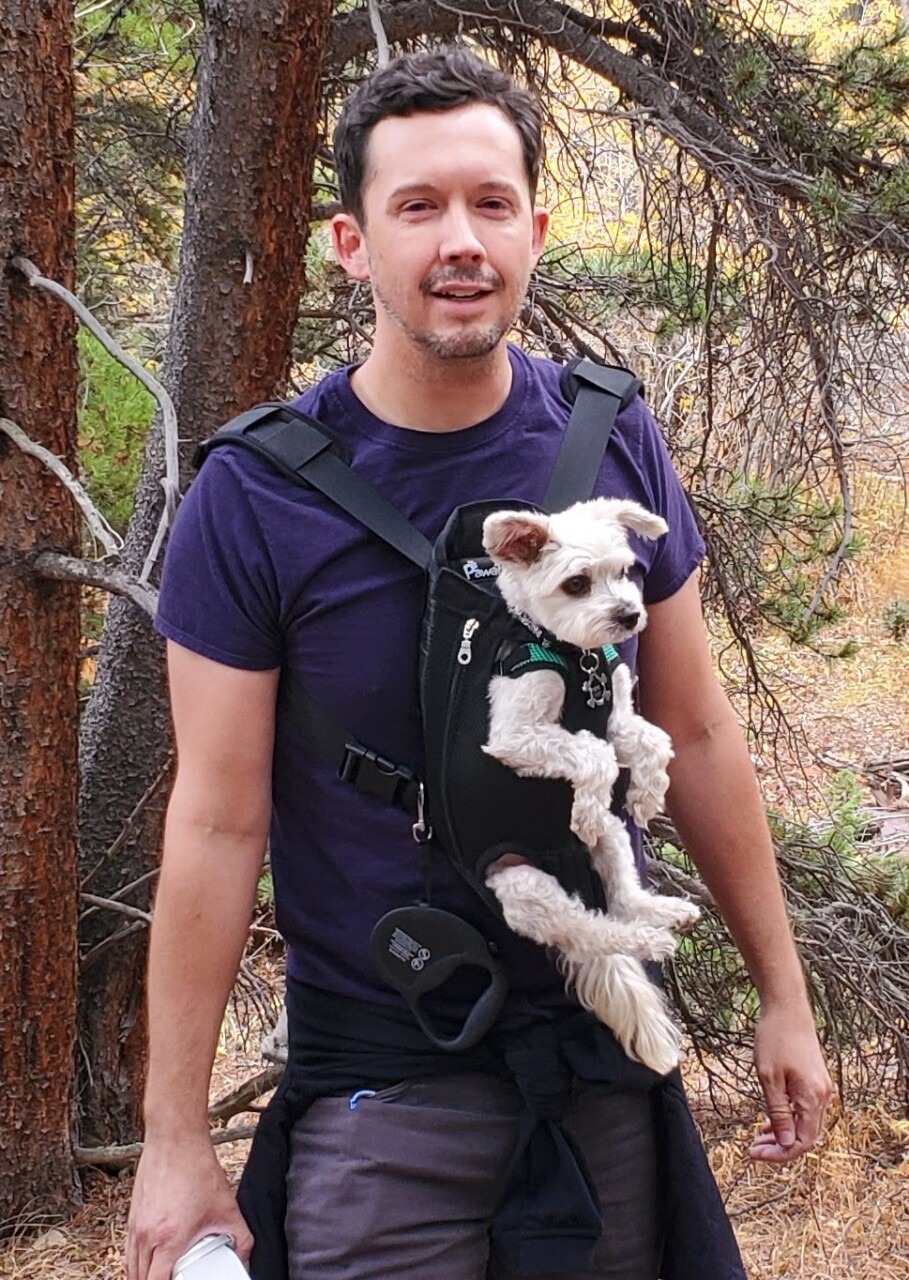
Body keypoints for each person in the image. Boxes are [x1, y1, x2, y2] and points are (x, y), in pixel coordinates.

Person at [127, 48, 831, 1280]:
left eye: (490, 204)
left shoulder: (611, 439)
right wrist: (174, 1136)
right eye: (419, 207)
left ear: (536, 229)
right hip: (378, 1099)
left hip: (600, 1068)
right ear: (353, 243)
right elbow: (216, 819)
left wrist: (784, 988)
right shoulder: (256, 494)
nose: (461, 240)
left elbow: (700, 733)